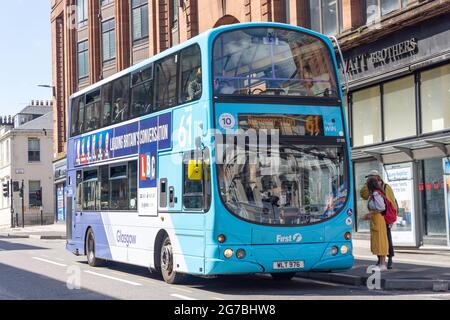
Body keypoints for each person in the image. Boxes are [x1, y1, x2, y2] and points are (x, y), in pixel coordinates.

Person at [360, 169, 397, 269]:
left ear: (376, 177)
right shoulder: (371, 189)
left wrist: (391, 218)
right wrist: (368, 185)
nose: (368, 179)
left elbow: (391, 202)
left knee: (385, 239)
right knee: (378, 239)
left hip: (384, 217)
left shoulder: (385, 187)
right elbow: (363, 194)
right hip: (377, 218)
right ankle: (380, 260)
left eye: (370, 178)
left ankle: (388, 259)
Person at [363, 176, 389, 271]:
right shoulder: (374, 194)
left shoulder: (376, 194)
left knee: (380, 241)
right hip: (375, 220)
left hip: (378, 219)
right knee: (377, 241)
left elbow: (381, 207)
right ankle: (380, 263)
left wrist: (371, 213)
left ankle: (382, 264)